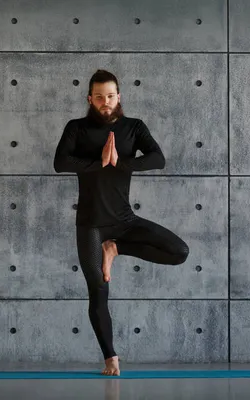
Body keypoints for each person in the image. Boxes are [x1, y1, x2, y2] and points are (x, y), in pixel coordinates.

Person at [53, 69, 190, 376]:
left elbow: (158, 158)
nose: (106, 102)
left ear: (119, 97)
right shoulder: (77, 128)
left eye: (111, 96)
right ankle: (110, 357)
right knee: (99, 292)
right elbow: (60, 162)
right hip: (91, 225)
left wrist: (121, 163)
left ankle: (116, 248)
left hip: (125, 220)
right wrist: (96, 163)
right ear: (90, 99)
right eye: (99, 97)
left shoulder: (133, 127)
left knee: (179, 252)